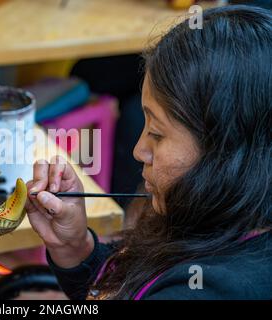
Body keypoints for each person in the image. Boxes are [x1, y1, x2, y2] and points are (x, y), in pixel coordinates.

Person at [25, 5, 272, 299]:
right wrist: (76, 249)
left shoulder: (203, 291)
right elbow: (131, 285)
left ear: (225, 152)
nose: (139, 150)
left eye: (157, 133)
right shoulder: (218, 221)